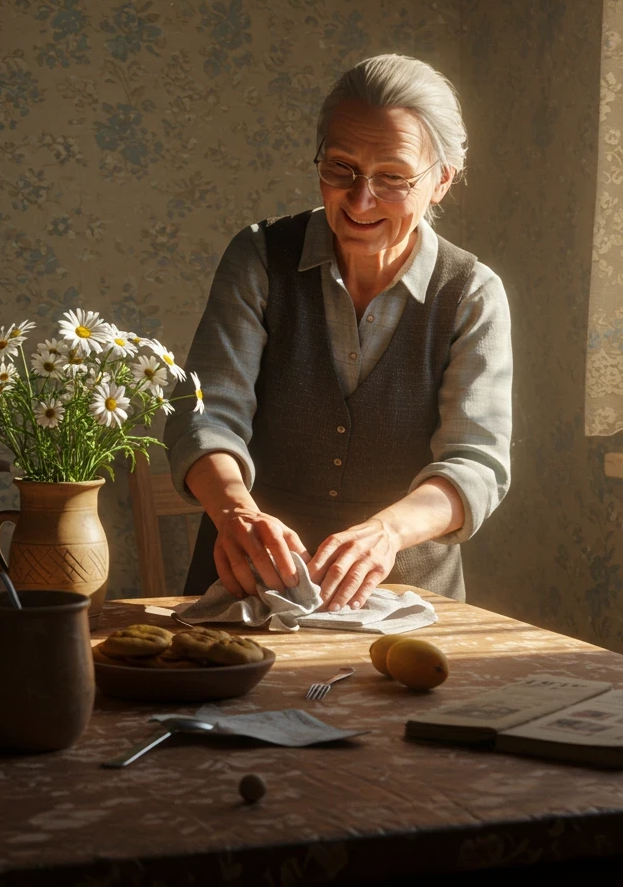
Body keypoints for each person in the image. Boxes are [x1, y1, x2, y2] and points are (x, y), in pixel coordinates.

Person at [164, 53, 512, 611]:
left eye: (392, 178)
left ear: (442, 180)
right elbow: (205, 413)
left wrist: (388, 533)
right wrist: (236, 512)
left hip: (409, 602)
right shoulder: (258, 258)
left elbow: (476, 463)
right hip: (246, 588)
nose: (360, 199)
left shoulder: (470, 293)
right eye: (341, 168)